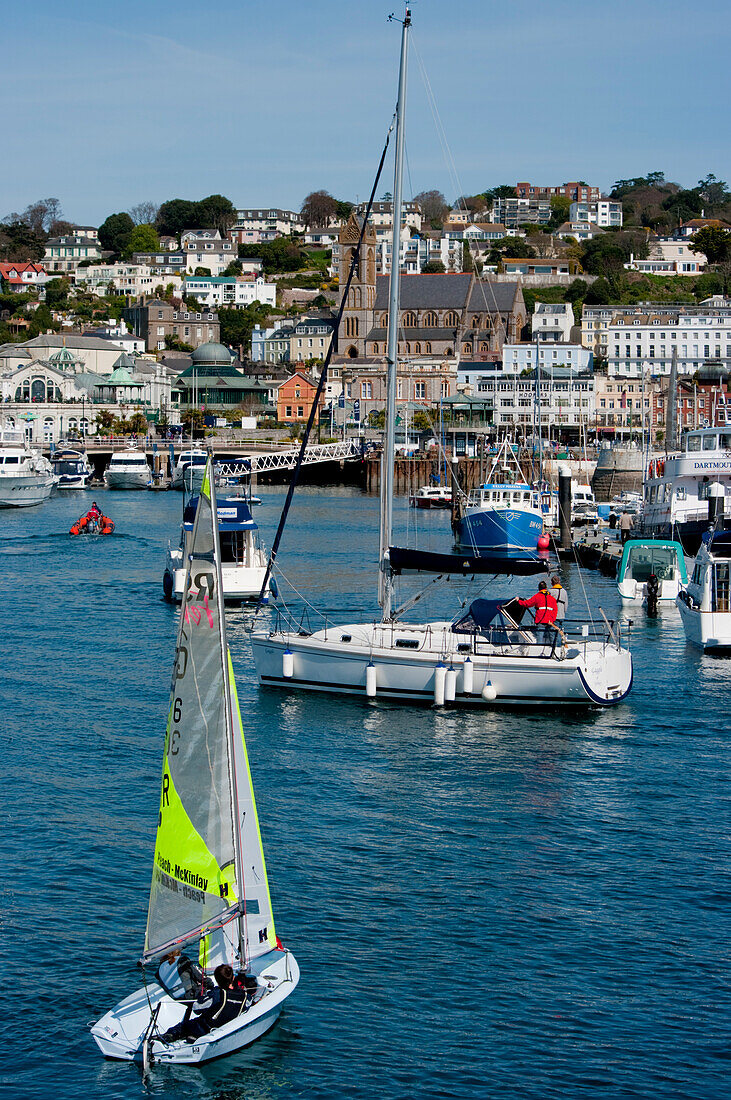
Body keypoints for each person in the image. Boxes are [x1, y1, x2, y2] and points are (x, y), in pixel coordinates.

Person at [159, 964, 251, 1044]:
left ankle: (166, 1037)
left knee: (184, 1025)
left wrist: (202, 997)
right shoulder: (244, 995)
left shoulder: (217, 994)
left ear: (217, 980)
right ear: (233, 978)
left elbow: (197, 1009)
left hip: (207, 1029)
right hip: (226, 1027)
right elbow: (248, 1005)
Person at [517, 580, 558, 646]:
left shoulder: (537, 596)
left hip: (540, 619)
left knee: (540, 637)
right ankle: (553, 649)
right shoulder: (552, 598)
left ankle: (539, 650)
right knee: (551, 637)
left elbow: (527, 604)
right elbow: (555, 610)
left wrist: (519, 601)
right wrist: (553, 620)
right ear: (546, 588)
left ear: (539, 588)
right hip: (550, 621)